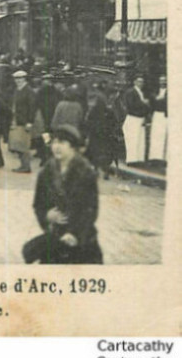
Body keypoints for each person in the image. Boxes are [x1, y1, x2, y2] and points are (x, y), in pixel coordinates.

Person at [22, 124, 103, 264]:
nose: (57, 147)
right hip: (55, 238)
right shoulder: (46, 172)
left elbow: (90, 210)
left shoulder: (86, 173)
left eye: (62, 143)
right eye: (54, 142)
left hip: (81, 241)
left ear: (72, 147)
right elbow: (38, 204)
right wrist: (46, 215)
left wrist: (74, 234)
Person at [84, 83, 117, 180]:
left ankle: (95, 169)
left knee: (95, 151)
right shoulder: (109, 110)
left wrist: (88, 132)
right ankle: (106, 171)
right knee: (105, 153)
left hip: (95, 133)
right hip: (106, 134)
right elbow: (114, 121)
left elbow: (88, 121)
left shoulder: (94, 109)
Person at [8, 69, 36, 173]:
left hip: (24, 121)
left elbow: (32, 107)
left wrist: (30, 121)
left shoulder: (29, 91)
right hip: (16, 120)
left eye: (20, 78)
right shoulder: (17, 90)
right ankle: (23, 165)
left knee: (23, 144)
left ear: (25, 79)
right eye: (16, 79)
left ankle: (25, 166)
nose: (18, 81)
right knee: (17, 144)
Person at [123, 74, 150, 165]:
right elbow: (131, 106)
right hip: (133, 118)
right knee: (132, 139)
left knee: (140, 140)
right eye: (139, 81)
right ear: (134, 82)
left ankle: (138, 159)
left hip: (140, 118)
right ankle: (131, 160)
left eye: (142, 82)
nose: (141, 83)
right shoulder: (131, 92)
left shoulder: (141, 93)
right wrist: (144, 103)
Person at [148, 76, 167, 161]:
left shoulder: (169, 91)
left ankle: (164, 158)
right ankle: (154, 157)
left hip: (166, 115)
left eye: (164, 81)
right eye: (161, 80)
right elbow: (153, 100)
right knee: (156, 135)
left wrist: (160, 99)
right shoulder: (155, 91)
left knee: (165, 136)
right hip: (157, 114)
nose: (163, 82)